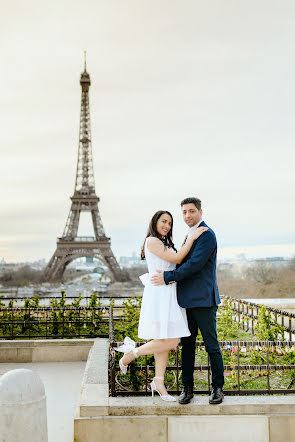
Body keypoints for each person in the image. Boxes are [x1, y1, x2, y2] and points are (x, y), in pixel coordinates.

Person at [116, 210, 207, 402]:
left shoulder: (164, 242)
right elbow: (177, 259)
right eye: (164, 221)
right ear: (155, 222)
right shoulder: (152, 241)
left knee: (164, 341)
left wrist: (184, 241)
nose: (167, 226)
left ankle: (159, 382)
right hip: (160, 294)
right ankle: (131, 354)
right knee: (172, 341)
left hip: (168, 292)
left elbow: (175, 260)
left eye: (170, 223)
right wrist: (191, 238)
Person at [151, 197, 224, 405]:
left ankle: (217, 388)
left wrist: (167, 277)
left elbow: (194, 265)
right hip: (185, 300)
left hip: (203, 299)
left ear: (201, 212)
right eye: (184, 212)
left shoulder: (206, 234)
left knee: (211, 345)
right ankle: (187, 388)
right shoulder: (188, 235)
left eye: (191, 211)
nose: (187, 216)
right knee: (187, 346)